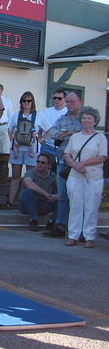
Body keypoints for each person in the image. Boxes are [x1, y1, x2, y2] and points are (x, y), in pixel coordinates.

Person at [63, 106, 107, 248]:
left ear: (95, 121)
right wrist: (76, 166)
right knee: (75, 206)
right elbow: (67, 154)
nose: (86, 120)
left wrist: (83, 164)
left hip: (93, 176)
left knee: (91, 207)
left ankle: (89, 236)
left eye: (89, 118)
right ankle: (73, 235)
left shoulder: (100, 137)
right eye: (84, 117)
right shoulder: (75, 137)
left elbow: (102, 157)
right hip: (75, 175)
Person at [42, 91, 82, 238]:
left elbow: (84, 134)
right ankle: (60, 226)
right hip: (63, 162)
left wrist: (67, 133)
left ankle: (80, 230)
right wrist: (69, 133)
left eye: (72, 101)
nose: (69, 104)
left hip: (79, 164)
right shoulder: (62, 118)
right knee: (63, 196)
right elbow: (53, 133)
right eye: (68, 101)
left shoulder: (85, 118)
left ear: (80, 102)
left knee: (78, 198)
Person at [4, 91, 45, 209]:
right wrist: (11, 137)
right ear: (21, 102)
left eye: (29, 101)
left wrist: (40, 139)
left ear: (32, 102)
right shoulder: (16, 115)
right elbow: (10, 128)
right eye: (24, 101)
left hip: (32, 149)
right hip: (17, 147)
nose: (26, 103)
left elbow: (49, 129)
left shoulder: (39, 116)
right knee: (15, 175)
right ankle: (11, 201)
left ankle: (27, 202)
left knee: (30, 176)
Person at [18, 152, 58, 231]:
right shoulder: (30, 173)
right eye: (38, 161)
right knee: (28, 192)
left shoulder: (53, 176)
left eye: (43, 162)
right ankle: (33, 220)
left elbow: (62, 190)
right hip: (27, 205)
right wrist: (46, 194)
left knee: (59, 200)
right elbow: (28, 183)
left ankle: (53, 222)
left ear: (49, 165)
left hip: (42, 205)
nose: (39, 164)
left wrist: (56, 196)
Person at [37, 88, 68, 168]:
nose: (56, 100)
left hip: (62, 148)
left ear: (65, 99)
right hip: (46, 146)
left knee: (59, 171)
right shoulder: (46, 112)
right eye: (54, 98)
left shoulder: (68, 113)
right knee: (43, 170)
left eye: (59, 98)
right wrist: (41, 140)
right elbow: (39, 128)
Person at [0, 83, 13, 155]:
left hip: (3, 127)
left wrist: (7, 127)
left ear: (2, 90)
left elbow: (10, 115)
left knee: (4, 151)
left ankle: (3, 166)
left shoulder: (7, 101)